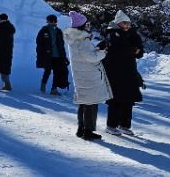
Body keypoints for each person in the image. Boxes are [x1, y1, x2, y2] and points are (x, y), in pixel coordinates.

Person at [63, 11, 112, 141]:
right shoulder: (82, 40)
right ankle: (88, 131)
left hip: (82, 75)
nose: (89, 26)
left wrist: (95, 50)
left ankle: (81, 129)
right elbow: (90, 57)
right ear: (82, 26)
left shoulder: (75, 39)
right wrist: (103, 52)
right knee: (91, 104)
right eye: (87, 24)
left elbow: (85, 54)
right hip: (88, 77)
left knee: (83, 103)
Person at [102, 10, 144, 136]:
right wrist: (132, 50)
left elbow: (139, 51)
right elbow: (118, 49)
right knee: (116, 100)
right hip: (115, 72)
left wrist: (136, 49)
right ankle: (111, 125)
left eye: (128, 23)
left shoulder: (131, 34)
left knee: (129, 100)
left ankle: (125, 125)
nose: (127, 26)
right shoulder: (112, 34)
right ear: (118, 23)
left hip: (129, 71)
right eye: (124, 23)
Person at [36, 14, 69, 96]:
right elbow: (39, 43)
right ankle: (43, 86)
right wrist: (42, 53)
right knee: (47, 71)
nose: (53, 22)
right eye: (51, 21)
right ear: (48, 21)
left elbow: (61, 45)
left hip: (58, 56)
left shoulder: (58, 31)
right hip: (48, 56)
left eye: (54, 21)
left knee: (57, 72)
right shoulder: (44, 30)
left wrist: (64, 57)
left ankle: (54, 89)